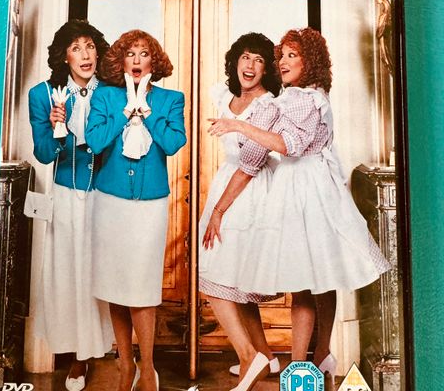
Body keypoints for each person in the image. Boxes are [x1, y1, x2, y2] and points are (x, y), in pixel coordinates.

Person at [208, 27, 390, 387]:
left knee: (310, 279)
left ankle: (303, 366)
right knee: (315, 277)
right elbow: (257, 156)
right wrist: (221, 207)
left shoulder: (308, 99)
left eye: (293, 55)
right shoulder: (291, 98)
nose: (284, 61)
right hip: (301, 185)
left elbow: (288, 145)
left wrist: (238, 126)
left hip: (309, 187)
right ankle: (318, 357)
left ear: (312, 61)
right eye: (283, 55)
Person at [85, 29, 187, 391]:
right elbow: (95, 141)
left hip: (151, 205)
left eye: (144, 53)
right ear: (121, 61)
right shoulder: (105, 96)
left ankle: (147, 369)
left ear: (153, 61)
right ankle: (125, 365)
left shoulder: (171, 99)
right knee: (116, 284)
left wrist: (148, 112)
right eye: (130, 54)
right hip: (110, 203)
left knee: (142, 287)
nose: (137, 60)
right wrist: (125, 111)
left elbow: (173, 143)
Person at [28, 19, 114, 391]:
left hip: (106, 196)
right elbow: (44, 154)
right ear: (64, 56)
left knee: (101, 273)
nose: (85, 54)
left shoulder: (112, 92)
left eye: (90, 46)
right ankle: (77, 356)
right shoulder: (42, 94)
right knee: (68, 273)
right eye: (76, 47)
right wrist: (55, 128)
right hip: (65, 195)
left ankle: (102, 353)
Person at [199, 33, 282, 391]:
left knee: (215, 273)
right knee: (236, 279)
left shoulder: (268, 105)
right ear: (235, 61)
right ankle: (265, 356)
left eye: (259, 60)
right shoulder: (224, 95)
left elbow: (251, 163)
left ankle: (248, 356)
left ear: (267, 69)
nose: (250, 65)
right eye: (245, 57)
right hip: (226, 182)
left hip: (249, 191)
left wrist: (219, 210)